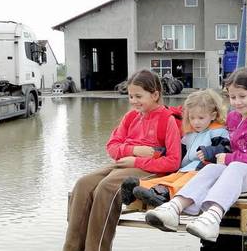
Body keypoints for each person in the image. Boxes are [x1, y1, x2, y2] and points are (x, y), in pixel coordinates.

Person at [144, 67, 247, 242]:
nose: (237, 102)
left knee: (234, 167)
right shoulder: (234, 118)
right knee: (211, 169)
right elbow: (213, 125)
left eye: (242, 96)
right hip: (236, 170)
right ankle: (174, 208)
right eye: (233, 97)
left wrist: (230, 158)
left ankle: (213, 217)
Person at [63, 69, 181, 251]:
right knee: (83, 184)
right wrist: (134, 150)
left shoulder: (168, 120)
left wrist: (136, 162)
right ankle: (71, 248)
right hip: (123, 163)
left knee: (107, 187)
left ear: (155, 95)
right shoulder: (131, 117)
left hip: (150, 170)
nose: (133, 101)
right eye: (130, 96)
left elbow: (173, 162)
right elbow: (112, 147)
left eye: (138, 96)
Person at [121, 89, 230, 207]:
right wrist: (161, 153)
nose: (196, 122)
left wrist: (209, 152)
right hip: (185, 169)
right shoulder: (189, 134)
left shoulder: (218, 131)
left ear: (213, 115)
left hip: (201, 170)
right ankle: (139, 185)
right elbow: (179, 152)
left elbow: (225, 149)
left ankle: (164, 194)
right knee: (172, 178)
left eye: (201, 118)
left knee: (184, 181)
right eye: (192, 118)